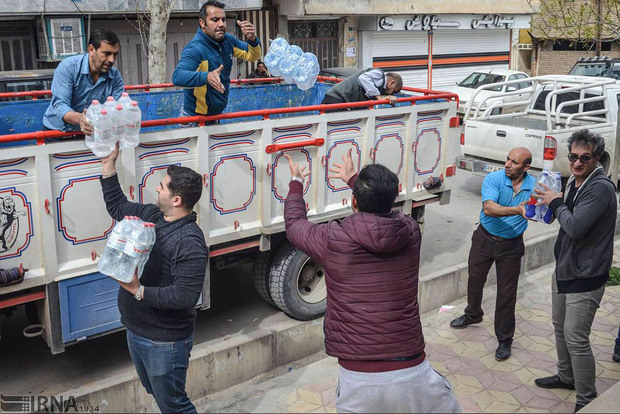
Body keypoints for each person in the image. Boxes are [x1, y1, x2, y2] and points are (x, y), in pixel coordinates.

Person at [282, 149, 461, 413]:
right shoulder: (411, 232)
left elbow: (294, 224)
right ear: (394, 197)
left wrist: (296, 183)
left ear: (354, 202)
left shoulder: (333, 239)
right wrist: (357, 181)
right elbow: (383, 212)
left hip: (358, 378)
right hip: (414, 370)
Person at [99, 143, 208, 413]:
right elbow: (118, 206)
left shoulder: (190, 242)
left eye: (162, 186)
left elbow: (185, 296)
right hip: (137, 331)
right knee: (158, 394)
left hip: (164, 342)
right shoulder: (153, 216)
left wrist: (139, 291)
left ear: (176, 200)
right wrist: (108, 165)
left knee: (174, 405)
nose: (157, 189)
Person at [533, 130, 617, 412]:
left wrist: (555, 203)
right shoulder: (576, 183)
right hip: (566, 268)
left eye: (585, 158)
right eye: (573, 157)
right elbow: (565, 215)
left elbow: (575, 227)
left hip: (586, 274)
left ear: (597, 159)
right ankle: (567, 376)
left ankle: (586, 400)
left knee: (577, 338)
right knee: (560, 328)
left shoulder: (600, 188)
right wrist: (546, 206)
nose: (577, 163)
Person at [449, 147, 535, 362]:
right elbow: (489, 208)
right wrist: (518, 210)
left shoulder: (534, 186)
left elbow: (544, 213)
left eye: (514, 162)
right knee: (475, 280)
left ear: (526, 167)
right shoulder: (494, 178)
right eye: (507, 159)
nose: (507, 164)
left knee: (507, 293)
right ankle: (473, 314)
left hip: (512, 246)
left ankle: (505, 339)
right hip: (484, 238)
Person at [172, 0, 261, 118]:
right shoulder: (195, 49)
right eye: (215, 20)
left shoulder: (228, 40)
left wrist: (252, 39)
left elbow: (252, 55)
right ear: (203, 23)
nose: (221, 24)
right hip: (193, 119)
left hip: (216, 116)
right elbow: (177, 77)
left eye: (223, 19)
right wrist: (206, 77)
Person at [43, 29, 123, 134]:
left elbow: (117, 107)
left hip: (94, 132)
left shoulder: (115, 76)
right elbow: (59, 105)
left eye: (115, 54)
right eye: (106, 53)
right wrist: (80, 118)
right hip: (58, 132)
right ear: (91, 49)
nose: (112, 60)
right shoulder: (68, 67)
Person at [321, 68, 402, 111]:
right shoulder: (379, 74)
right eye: (394, 91)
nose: (392, 94)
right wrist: (380, 98)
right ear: (391, 83)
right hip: (336, 99)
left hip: (340, 100)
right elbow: (363, 78)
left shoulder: (380, 86)